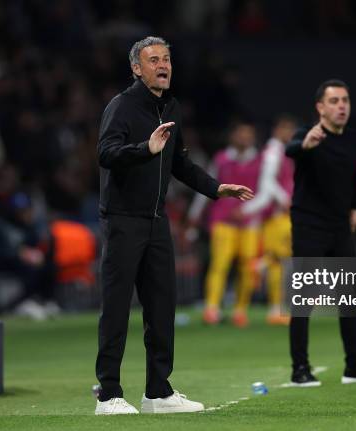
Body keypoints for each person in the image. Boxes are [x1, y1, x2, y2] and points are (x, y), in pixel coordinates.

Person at [95, 36, 253, 415]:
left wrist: (216, 188)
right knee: (117, 308)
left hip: (156, 221)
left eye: (166, 59)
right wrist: (143, 150)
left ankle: (158, 393)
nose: (163, 65)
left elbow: (180, 163)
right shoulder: (121, 107)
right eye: (154, 60)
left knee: (162, 308)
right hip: (123, 220)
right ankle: (109, 394)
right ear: (137, 68)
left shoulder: (172, 107)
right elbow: (105, 153)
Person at [286, 80, 356, 386]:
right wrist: (304, 145)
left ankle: (355, 366)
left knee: (350, 299)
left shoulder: (353, 139)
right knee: (304, 299)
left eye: (345, 100)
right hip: (309, 226)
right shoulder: (308, 134)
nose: (341, 106)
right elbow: (290, 150)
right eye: (334, 101)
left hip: (340, 227)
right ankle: (300, 369)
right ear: (320, 107)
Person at [188, 120, 262, 328]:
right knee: (220, 264)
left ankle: (240, 310)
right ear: (233, 136)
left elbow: (264, 190)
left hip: (249, 222)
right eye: (241, 134)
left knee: (248, 266)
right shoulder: (221, 159)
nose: (245, 138)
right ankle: (212, 309)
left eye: (248, 134)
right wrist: (195, 214)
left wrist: (249, 210)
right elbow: (206, 186)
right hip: (222, 220)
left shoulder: (260, 160)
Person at [237, 115, 297, 325]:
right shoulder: (273, 152)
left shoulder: (281, 151)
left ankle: (275, 306)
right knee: (280, 260)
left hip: (279, 214)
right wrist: (284, 199)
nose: (290, 134)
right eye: (286, 129)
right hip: (276, 215)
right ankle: (274, 306)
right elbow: (268, 183)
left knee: (281, 261)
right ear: (278, 130)